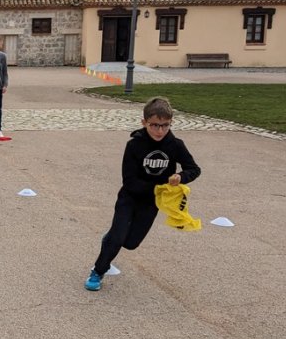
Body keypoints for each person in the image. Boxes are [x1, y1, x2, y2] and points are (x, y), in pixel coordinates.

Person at [84, 97, 201, 291]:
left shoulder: (175, 145)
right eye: (154, 125)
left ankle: (111, 238)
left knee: (130, 243)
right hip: (129, 198)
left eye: (165, 125)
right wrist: (156, 187)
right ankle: (98, 271)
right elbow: (129, 181)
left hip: (152, 203)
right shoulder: (134, 145)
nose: (160, 131)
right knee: (118, 237)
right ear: (144, 122)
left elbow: (194, 169)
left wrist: (181, 176)